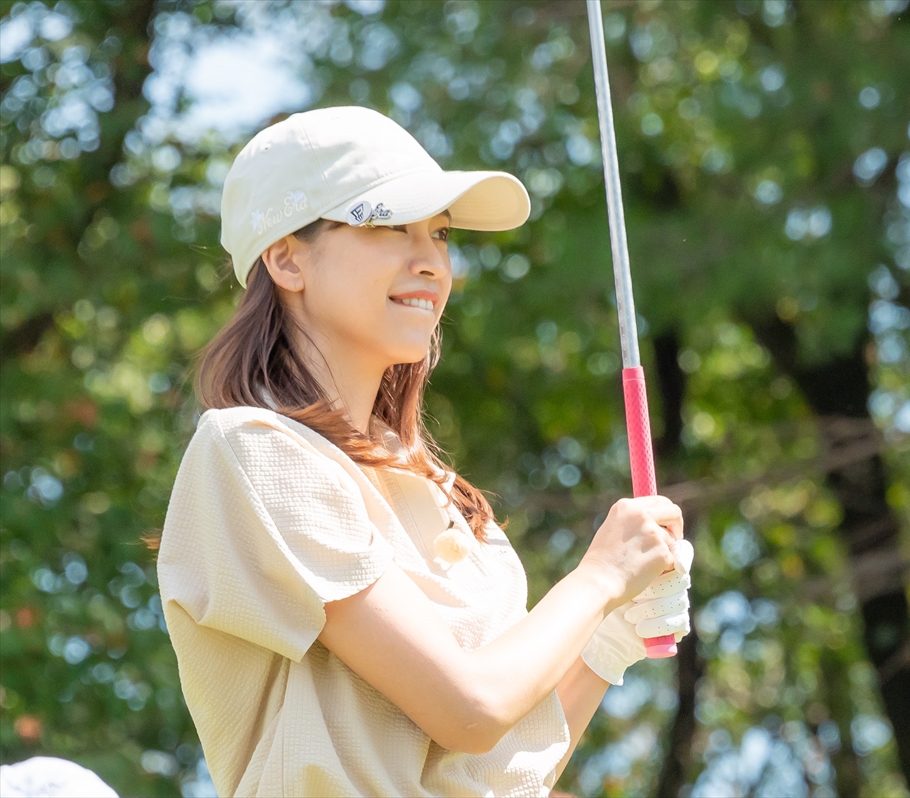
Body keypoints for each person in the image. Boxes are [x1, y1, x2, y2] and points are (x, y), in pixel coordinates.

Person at [156, 105, 694, 798]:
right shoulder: (256, 452)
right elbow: (470, 709)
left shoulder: (442, 494)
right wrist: (597, 580)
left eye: (438, 234)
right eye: (387, 225)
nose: (430, 262)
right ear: (287, 257)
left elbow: (496, 767)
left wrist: (606, 642)